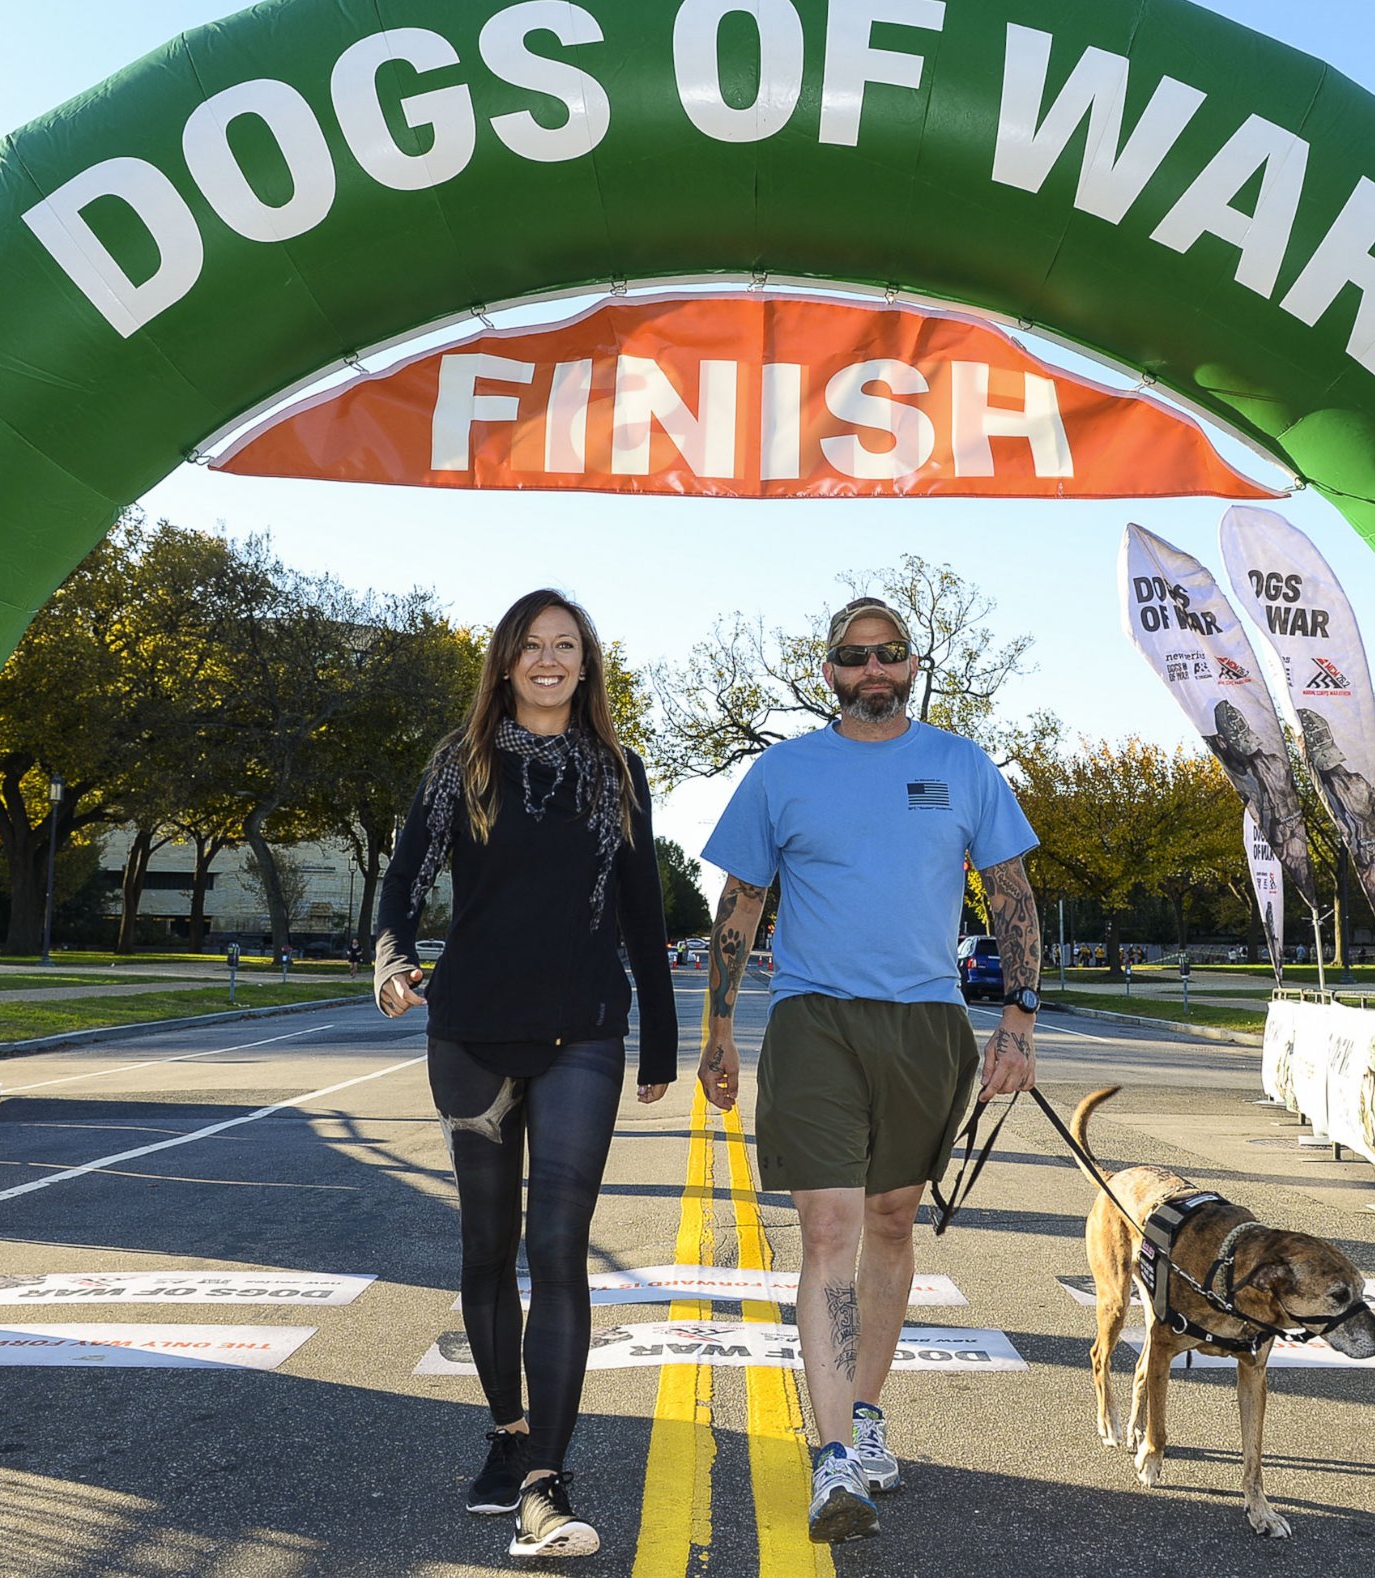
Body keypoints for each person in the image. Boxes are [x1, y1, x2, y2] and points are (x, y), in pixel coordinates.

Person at [698, 595, 1042, 1545]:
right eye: (855, 658)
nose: (873, 671)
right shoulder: (784, 771)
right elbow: (740, 903)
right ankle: (834, 1454)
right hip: (815, 1021)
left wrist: (1018, 1017)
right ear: (830, 673)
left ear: (911, 664)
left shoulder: (961, 764)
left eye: (889, 654)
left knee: (892, 1221)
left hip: (929, 1024)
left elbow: (1010, 894)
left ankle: (867, 1410)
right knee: (828, 1229)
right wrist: (717, 1028)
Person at [373, 589, 677, 1560]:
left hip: (584, 1031)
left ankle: (545, 1480)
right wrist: (390, 961)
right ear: (505, 663)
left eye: (567, 646)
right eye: (532, 647)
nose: (549, 660)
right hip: (469, 1034)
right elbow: (403, 886)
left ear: (587, 666)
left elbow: (642, 914)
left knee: (558, 1249)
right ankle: (507, 1434)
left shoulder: (617, 772)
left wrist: (661, 1037)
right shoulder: (459, 765)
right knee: (486, 1250)